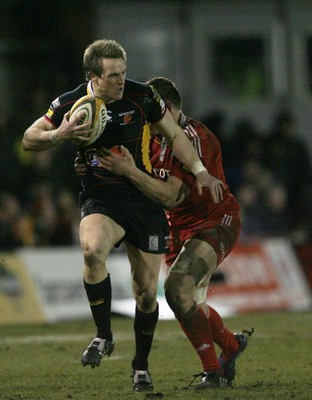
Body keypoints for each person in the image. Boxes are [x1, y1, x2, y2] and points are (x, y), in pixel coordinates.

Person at [22, 39, 225, 393]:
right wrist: (60, 134)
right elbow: (29, 138)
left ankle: (140, 367)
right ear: (93, 77)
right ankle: (103, 336)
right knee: (91, 250)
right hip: (102, 198)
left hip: (143, 202)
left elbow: (175, 134)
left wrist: (200, 169)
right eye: (113, 75)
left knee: (146, 294)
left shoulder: (143, 97)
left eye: (123, 73)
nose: (121, 81)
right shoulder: (71, 104)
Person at [96, 77, 254, 390]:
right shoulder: (147, 137)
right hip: (175, 228)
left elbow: (170, 195)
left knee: (177, 289)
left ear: (164, 109)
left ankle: (214, 372)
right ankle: (232, 347)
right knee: (189, 303)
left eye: (150, 113)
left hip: (213, 220)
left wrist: (129, 171)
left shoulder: (193, 138)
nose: (145, 120)